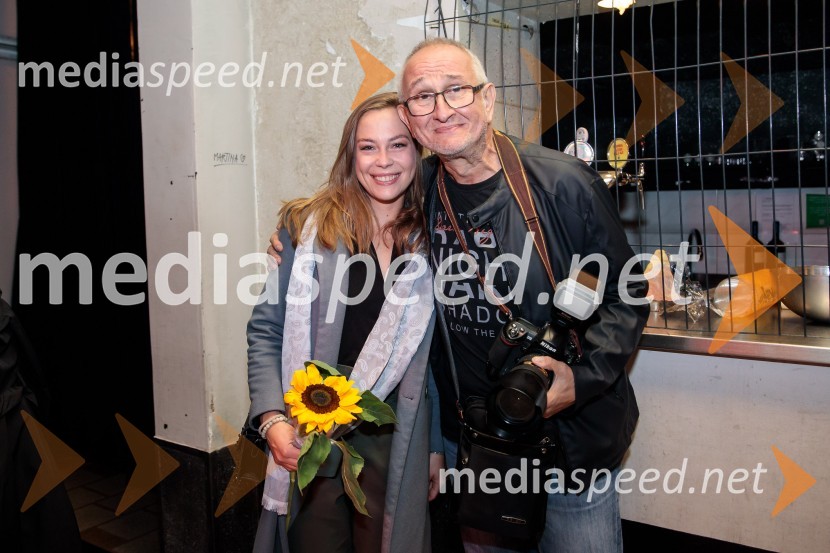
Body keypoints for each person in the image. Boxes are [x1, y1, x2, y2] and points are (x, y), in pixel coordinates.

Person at [270, 39, 648, 552]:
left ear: (488, 99)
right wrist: (293, 234)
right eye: (422, 97)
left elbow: (626, 294)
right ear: (408, 115)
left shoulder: (563, 184)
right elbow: (350, 196)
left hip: (568, 447)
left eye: (456, 91)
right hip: (473, 450)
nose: (441, 109)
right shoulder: (416, 193)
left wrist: (578, 381)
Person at [246, 92, 438, 553]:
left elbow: (437, 362)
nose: (383, 161)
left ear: (419, 152)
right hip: (311, 425)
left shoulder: (438, 237)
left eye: (399, 145)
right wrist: (271, 419)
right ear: (350, 156)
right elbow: (267, 330)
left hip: (398, 429)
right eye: (368, 147)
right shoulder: (310, 228)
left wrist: (436, 448)